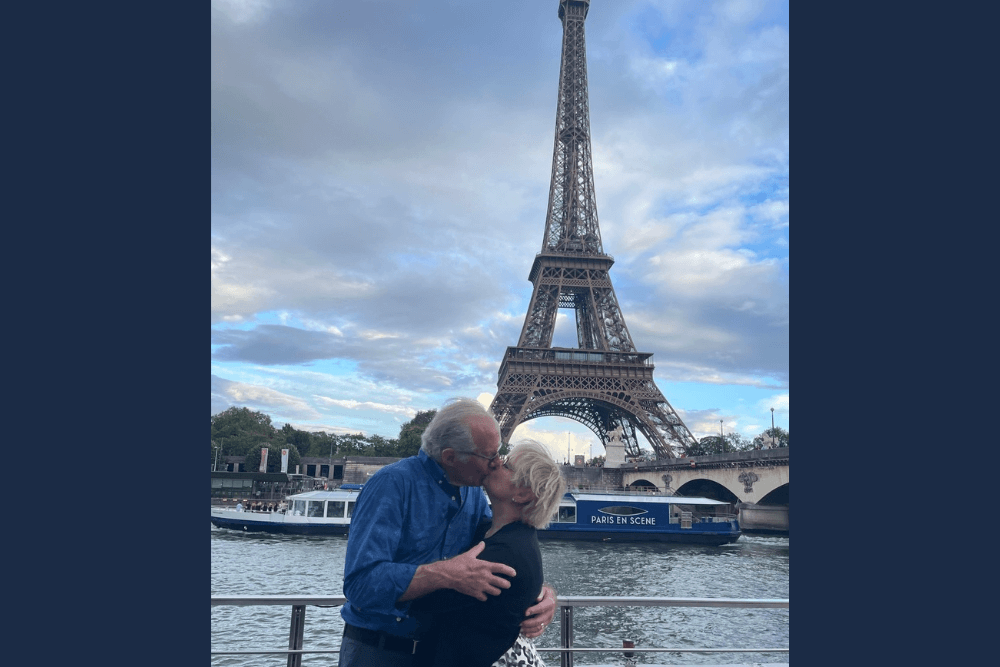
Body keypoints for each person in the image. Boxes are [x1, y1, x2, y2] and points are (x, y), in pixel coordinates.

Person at [339, 399, 557, 667]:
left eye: (500, 455)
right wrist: (443, 575)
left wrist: (537, 593)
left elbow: (500, 550)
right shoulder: (391, 485)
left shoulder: (472, 492)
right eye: (490, 456)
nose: (495, 463)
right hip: (379, 650)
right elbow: (359, 584)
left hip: (436, 652)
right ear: (451, 457)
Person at [410, 439, 566, 667]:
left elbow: (422, 603)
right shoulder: (495, 530)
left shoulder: (505, 553)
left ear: (522, 494)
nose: (496, 463)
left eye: (507, 465)